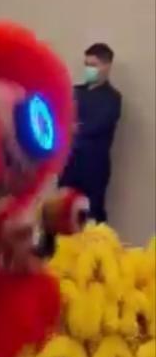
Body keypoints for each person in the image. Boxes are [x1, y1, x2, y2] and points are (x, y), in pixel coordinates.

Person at [60, 43, 121, 223]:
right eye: (86, 64)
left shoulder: (112, 98)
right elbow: (64, 119)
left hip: (94, 168)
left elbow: (95, 126)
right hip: (69, 163)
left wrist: (75, 127)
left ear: (107, 66)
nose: (89, 69)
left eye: (93, 65)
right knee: (62, 212)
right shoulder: (75, 92)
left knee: (91, 215)